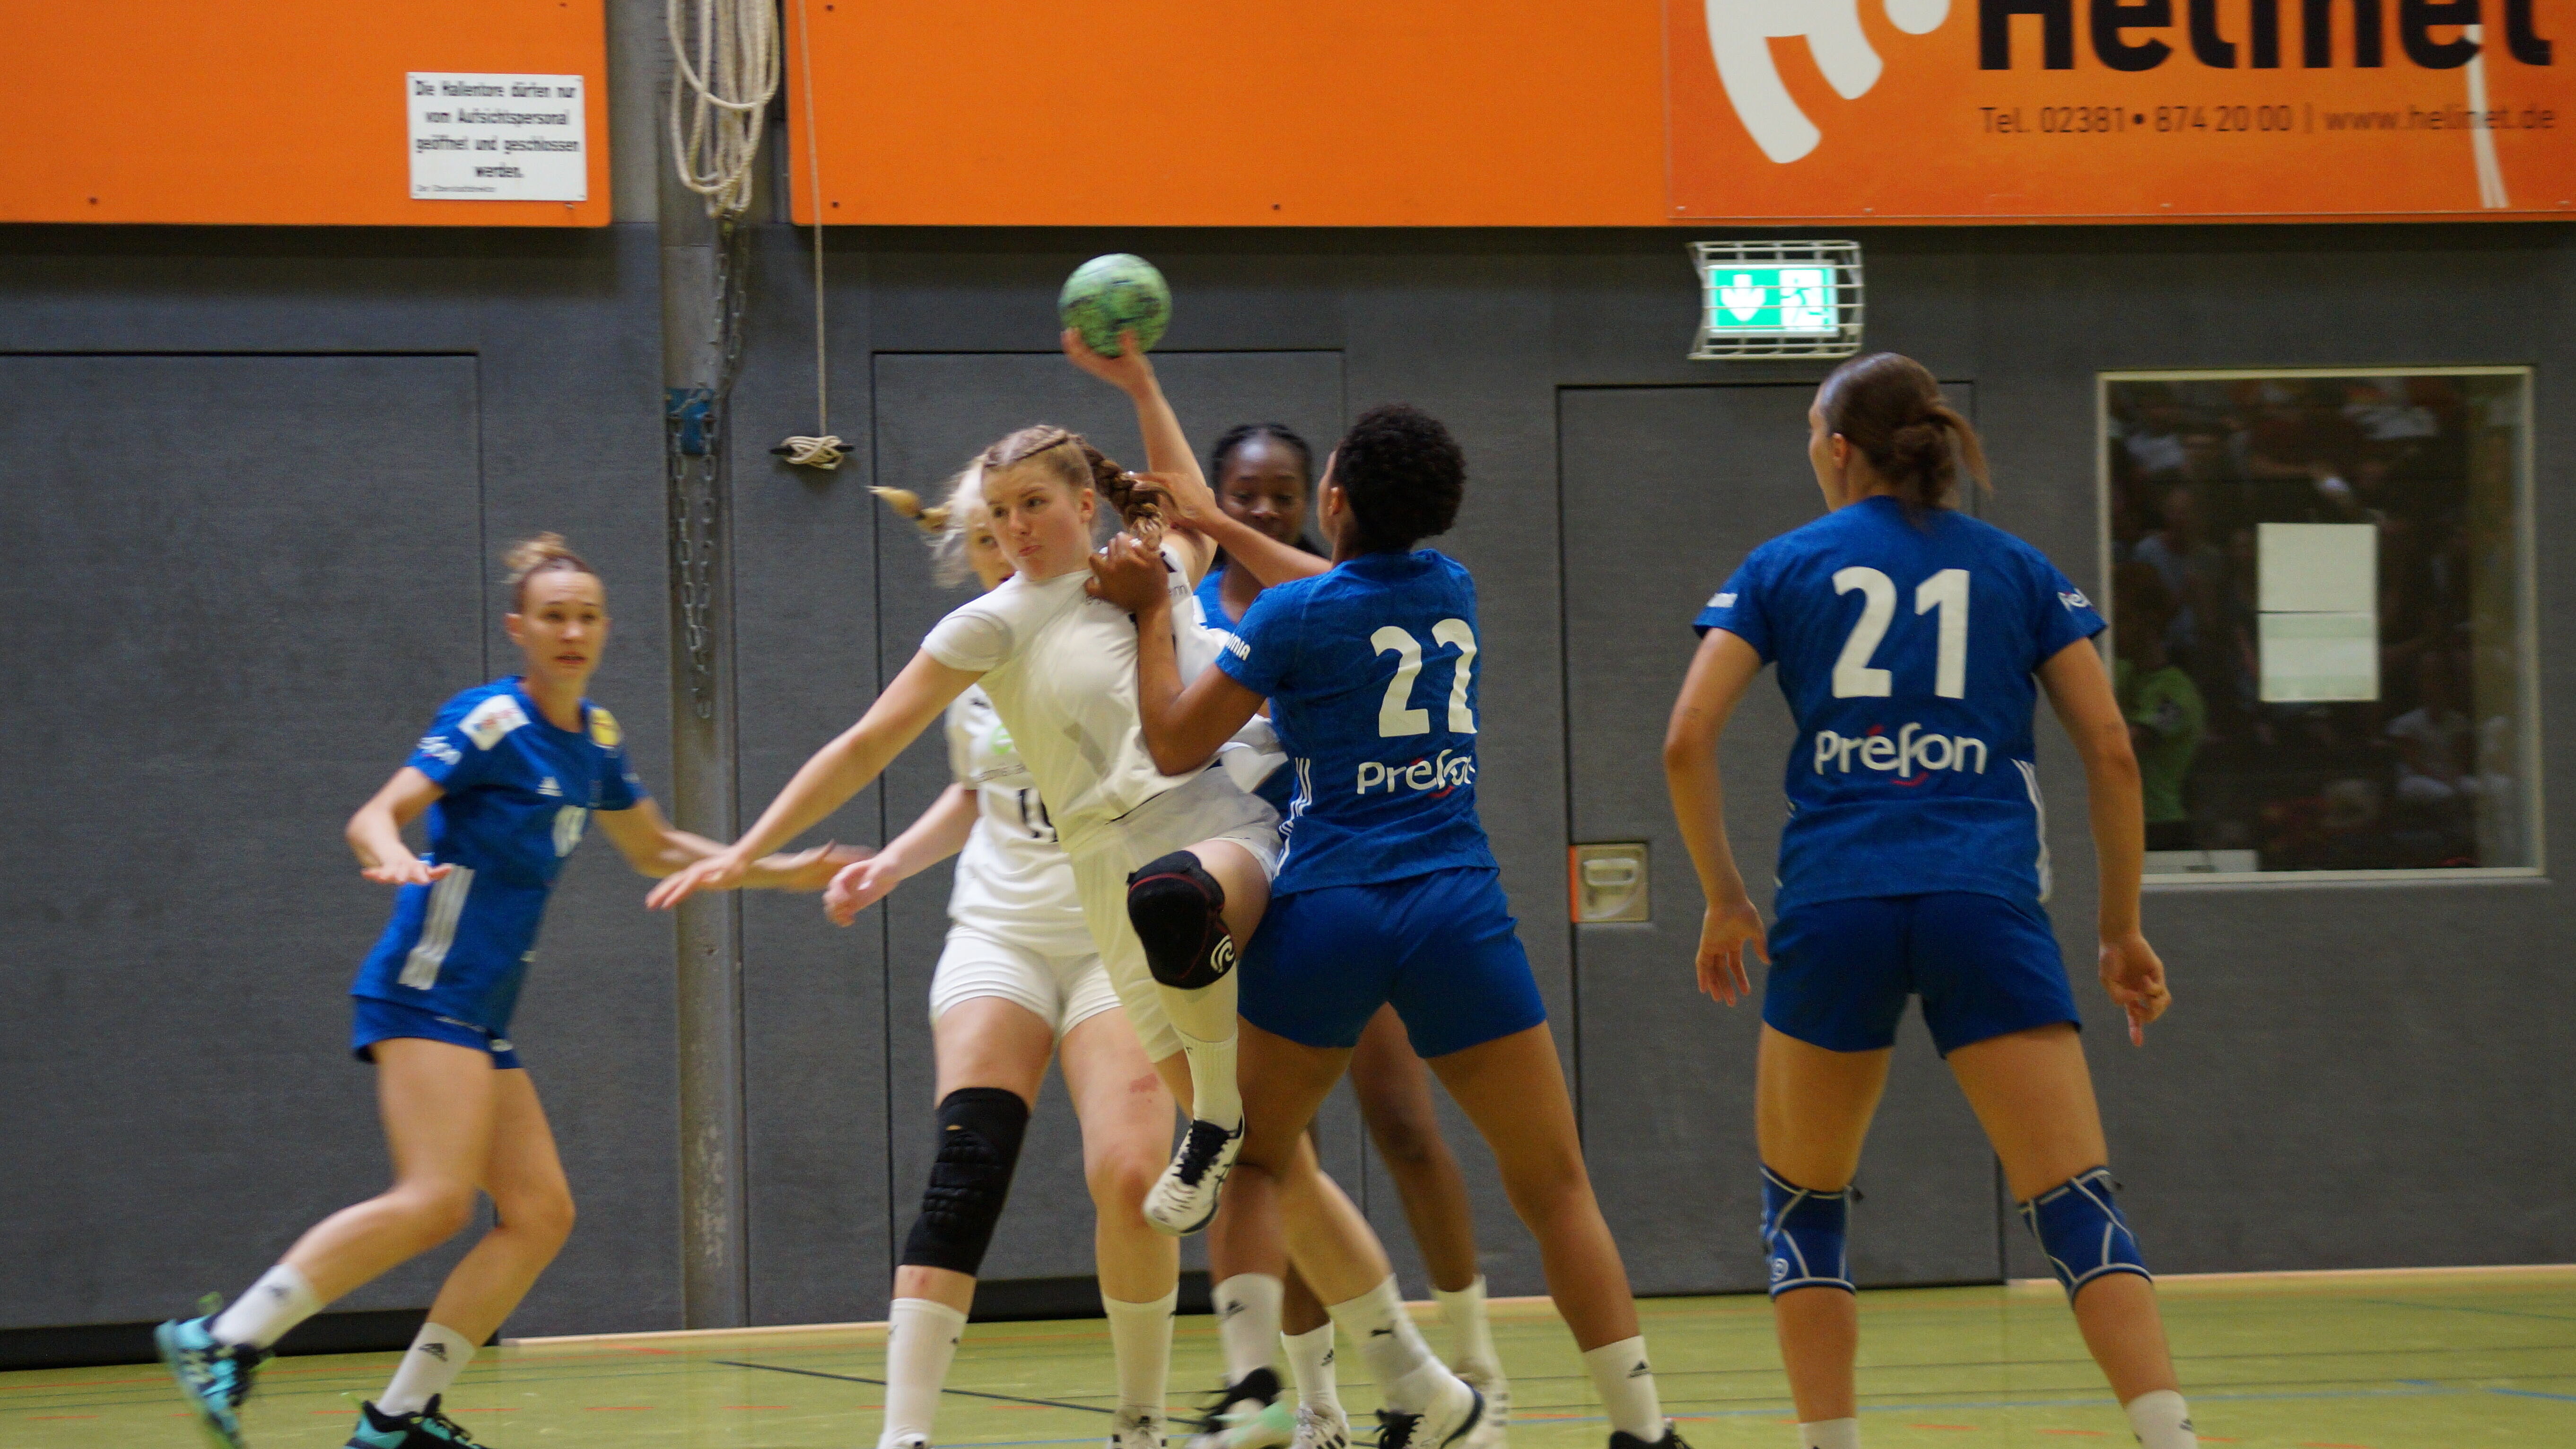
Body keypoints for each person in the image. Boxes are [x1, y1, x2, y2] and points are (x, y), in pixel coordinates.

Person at [647, 333, 1483, 1449]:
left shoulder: (1153, 561)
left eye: (1034, 503)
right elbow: (863, 745)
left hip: (1215, 835)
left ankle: (1296, 1326)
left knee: (1228, 1095)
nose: (1014, 527)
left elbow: (1202, 506)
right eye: (998, 514)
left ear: (1086, 501)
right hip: (1105, 884)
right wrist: (747, 847)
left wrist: (1141, 385)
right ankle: (1418, 1379)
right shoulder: (990, 624)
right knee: (1266, 1159)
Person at [156, 535, 846, 1449]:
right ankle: (223, 1338)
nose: (572, 632)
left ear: (605, 628)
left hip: (479, 1013)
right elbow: (375, 814)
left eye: (588, 616)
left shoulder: (596, 739)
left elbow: (655, 848)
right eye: (553, 616)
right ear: (519, 628)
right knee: (435, 1202)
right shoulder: (489, 719)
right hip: (424, 988)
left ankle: (400, 1418)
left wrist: (784, 871)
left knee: (540, 1215)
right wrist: (391, 852)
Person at [1088, 403, 1683, 1449]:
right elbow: (1334, 586)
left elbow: (1175, 742)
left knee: (1256, 1158)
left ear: (1332, 499)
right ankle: (1642, 1425)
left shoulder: (1292, 617)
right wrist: (1215, 524)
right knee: (1554, 1183)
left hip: (1333, 907)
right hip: (1458, 907)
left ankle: (1292, 1395)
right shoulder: (1453, 587)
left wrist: (1147, 613)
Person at [1660, 353, 2198, 1449]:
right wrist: (2120, 928)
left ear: (1838, 449)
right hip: (1982, 897)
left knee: (1804, 1209)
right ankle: (2170, 1436)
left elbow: (1685, 739)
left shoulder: (1781, 564)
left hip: (1836, 899)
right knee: (2076, 1202)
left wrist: (1725, 896)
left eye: (1811, 433)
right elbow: (2112, 748)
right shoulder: (2018, 567)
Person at [826, 471, 1188, 1449]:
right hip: (1003, 933)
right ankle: (904, 1434)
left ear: (1074, 521)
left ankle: (1140, 1420)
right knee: (968, 1161)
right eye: (990, 532)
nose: (1010, 547)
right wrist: (890, 864)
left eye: (1025, 520)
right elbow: (973, 791)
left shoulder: (1132, 620)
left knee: (1132, 1177)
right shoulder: (976, 646)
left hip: (1117, 939)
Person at [1184, 421, 1509, 1449]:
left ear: (1318, 500)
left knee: (1405, 1121)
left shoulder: (1331, 594)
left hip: (1349, 879)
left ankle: (1473, 1369)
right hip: (1252, 889)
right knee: (1282, 1155)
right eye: (1242, 493)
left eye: (1283, 490)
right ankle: (1317, 1401)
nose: (1264, 507)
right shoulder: (1195, 603)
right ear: (1216, 498)